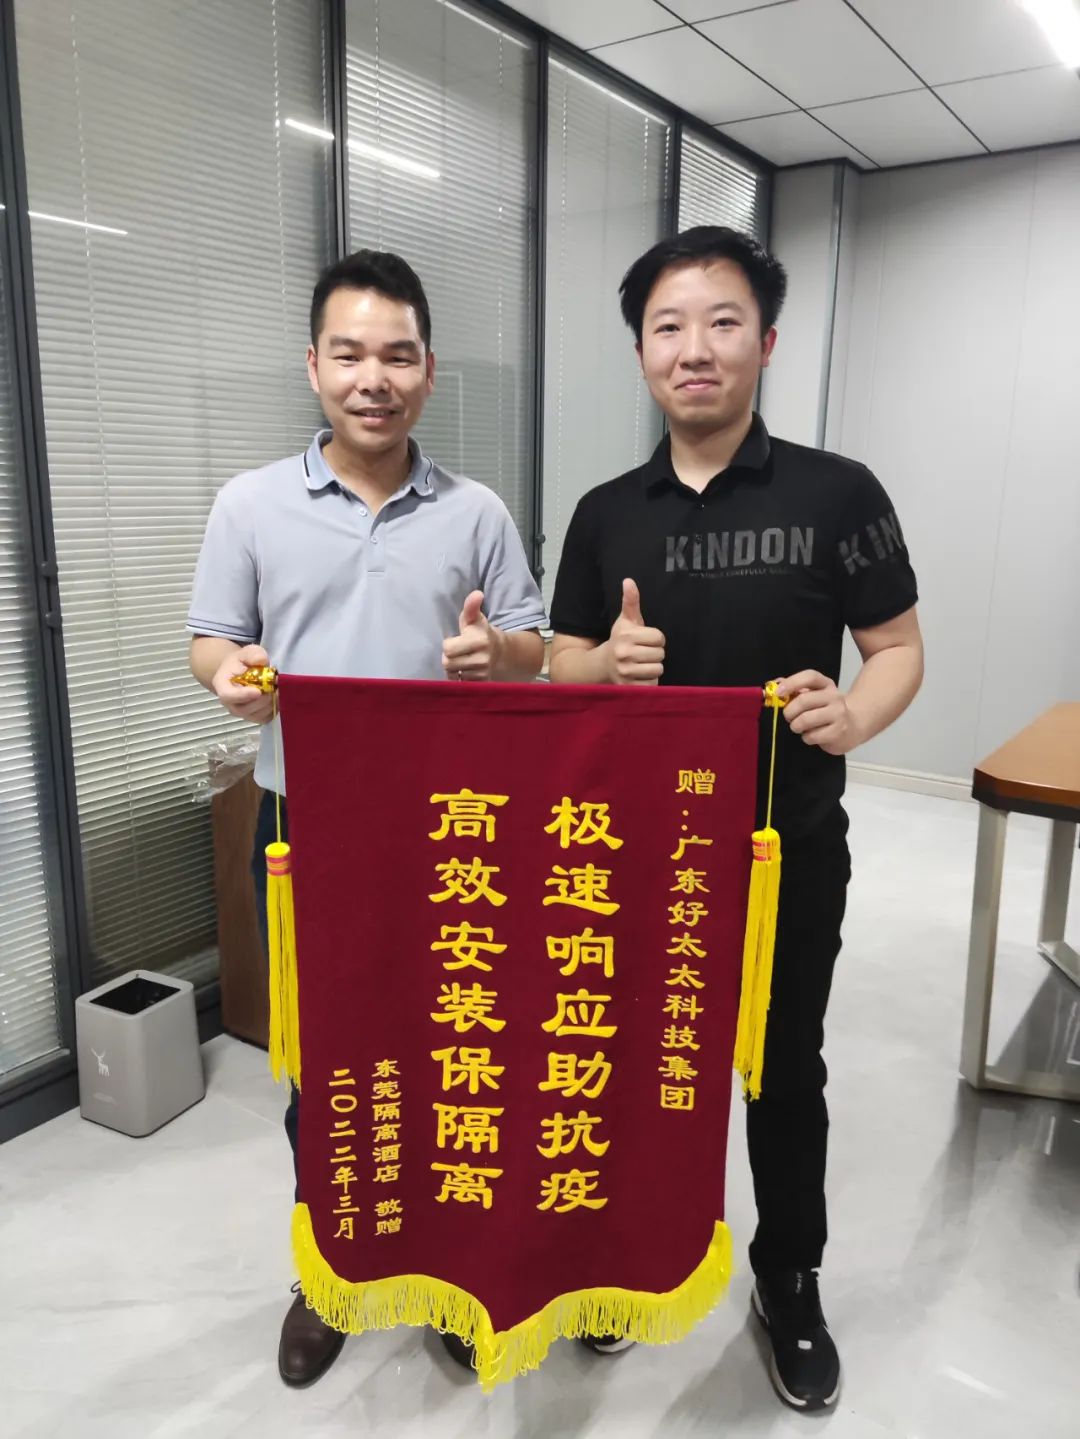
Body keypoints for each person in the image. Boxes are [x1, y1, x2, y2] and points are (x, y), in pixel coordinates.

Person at [547, 226, 923, 1413]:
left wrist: (854, 715)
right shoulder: (605, 511)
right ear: (641, 354)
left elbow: (896, 647)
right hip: (634, 854)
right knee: (630, 1060)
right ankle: (625, 1260)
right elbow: (560, 661)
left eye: (721, 322)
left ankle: (787, 1277)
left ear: (765, 341)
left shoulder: (837, 492)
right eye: (668, 326)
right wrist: (604, 663)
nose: (694, 348)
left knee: (781, 1066)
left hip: (784, 847)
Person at [187, 249, 546, 1388]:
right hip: (308, 829)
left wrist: (498, 654)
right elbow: (212, 638)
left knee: (455, 1048)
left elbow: (535, 648)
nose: (373, 377)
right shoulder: (250, 503)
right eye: (350, 354)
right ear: (314, 366)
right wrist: (228, 673)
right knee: (324, 1062)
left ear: (428, 371)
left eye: (397, 355)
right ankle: (331, 1268)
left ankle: (447, 1268)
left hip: (455, 832)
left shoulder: (477, 511)